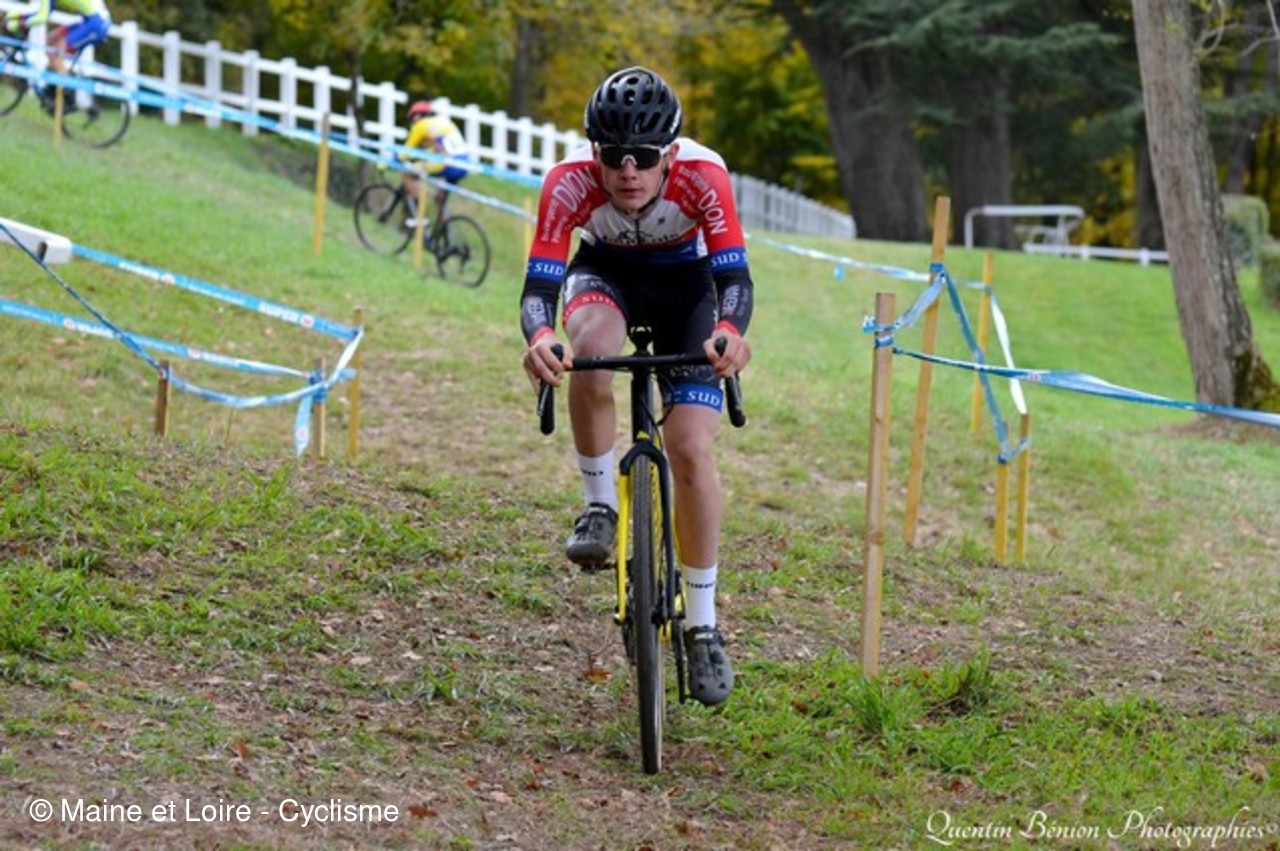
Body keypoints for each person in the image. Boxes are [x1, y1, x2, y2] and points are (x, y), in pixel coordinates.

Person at [518, 66, 755, 707]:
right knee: (590, 350)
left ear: (669, 154)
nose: (628, 171)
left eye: (645, 157)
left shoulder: (704, 175)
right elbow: (539, 288)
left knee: (690, 447)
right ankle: (600, 503)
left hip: (688, 291)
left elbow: (735, 279)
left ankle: (702, 625)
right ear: (593, 150)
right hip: (608, 275)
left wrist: (730, 331)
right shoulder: (567, 182)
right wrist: (542, 338)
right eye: (614, 155)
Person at [399, 97, 472, 226]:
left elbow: (404, 154)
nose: (412, 124)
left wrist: (385, 162)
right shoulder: (443, 121)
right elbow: (437, 148)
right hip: (464, 163)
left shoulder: (421, 125)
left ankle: (421, 217)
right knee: (440, 199)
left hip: (447, 162)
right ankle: (443, 232)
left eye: (412, 120)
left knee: (408, 174)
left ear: (416, 117)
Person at [4, 0, 111, 81]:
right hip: (88, 20)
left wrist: (15, 24)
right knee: (50, 38)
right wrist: (12, 18)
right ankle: (54, 83)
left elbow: (42, 16)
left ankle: (65, 93)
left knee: (58, 50)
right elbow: (41, 12)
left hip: (97, 24)